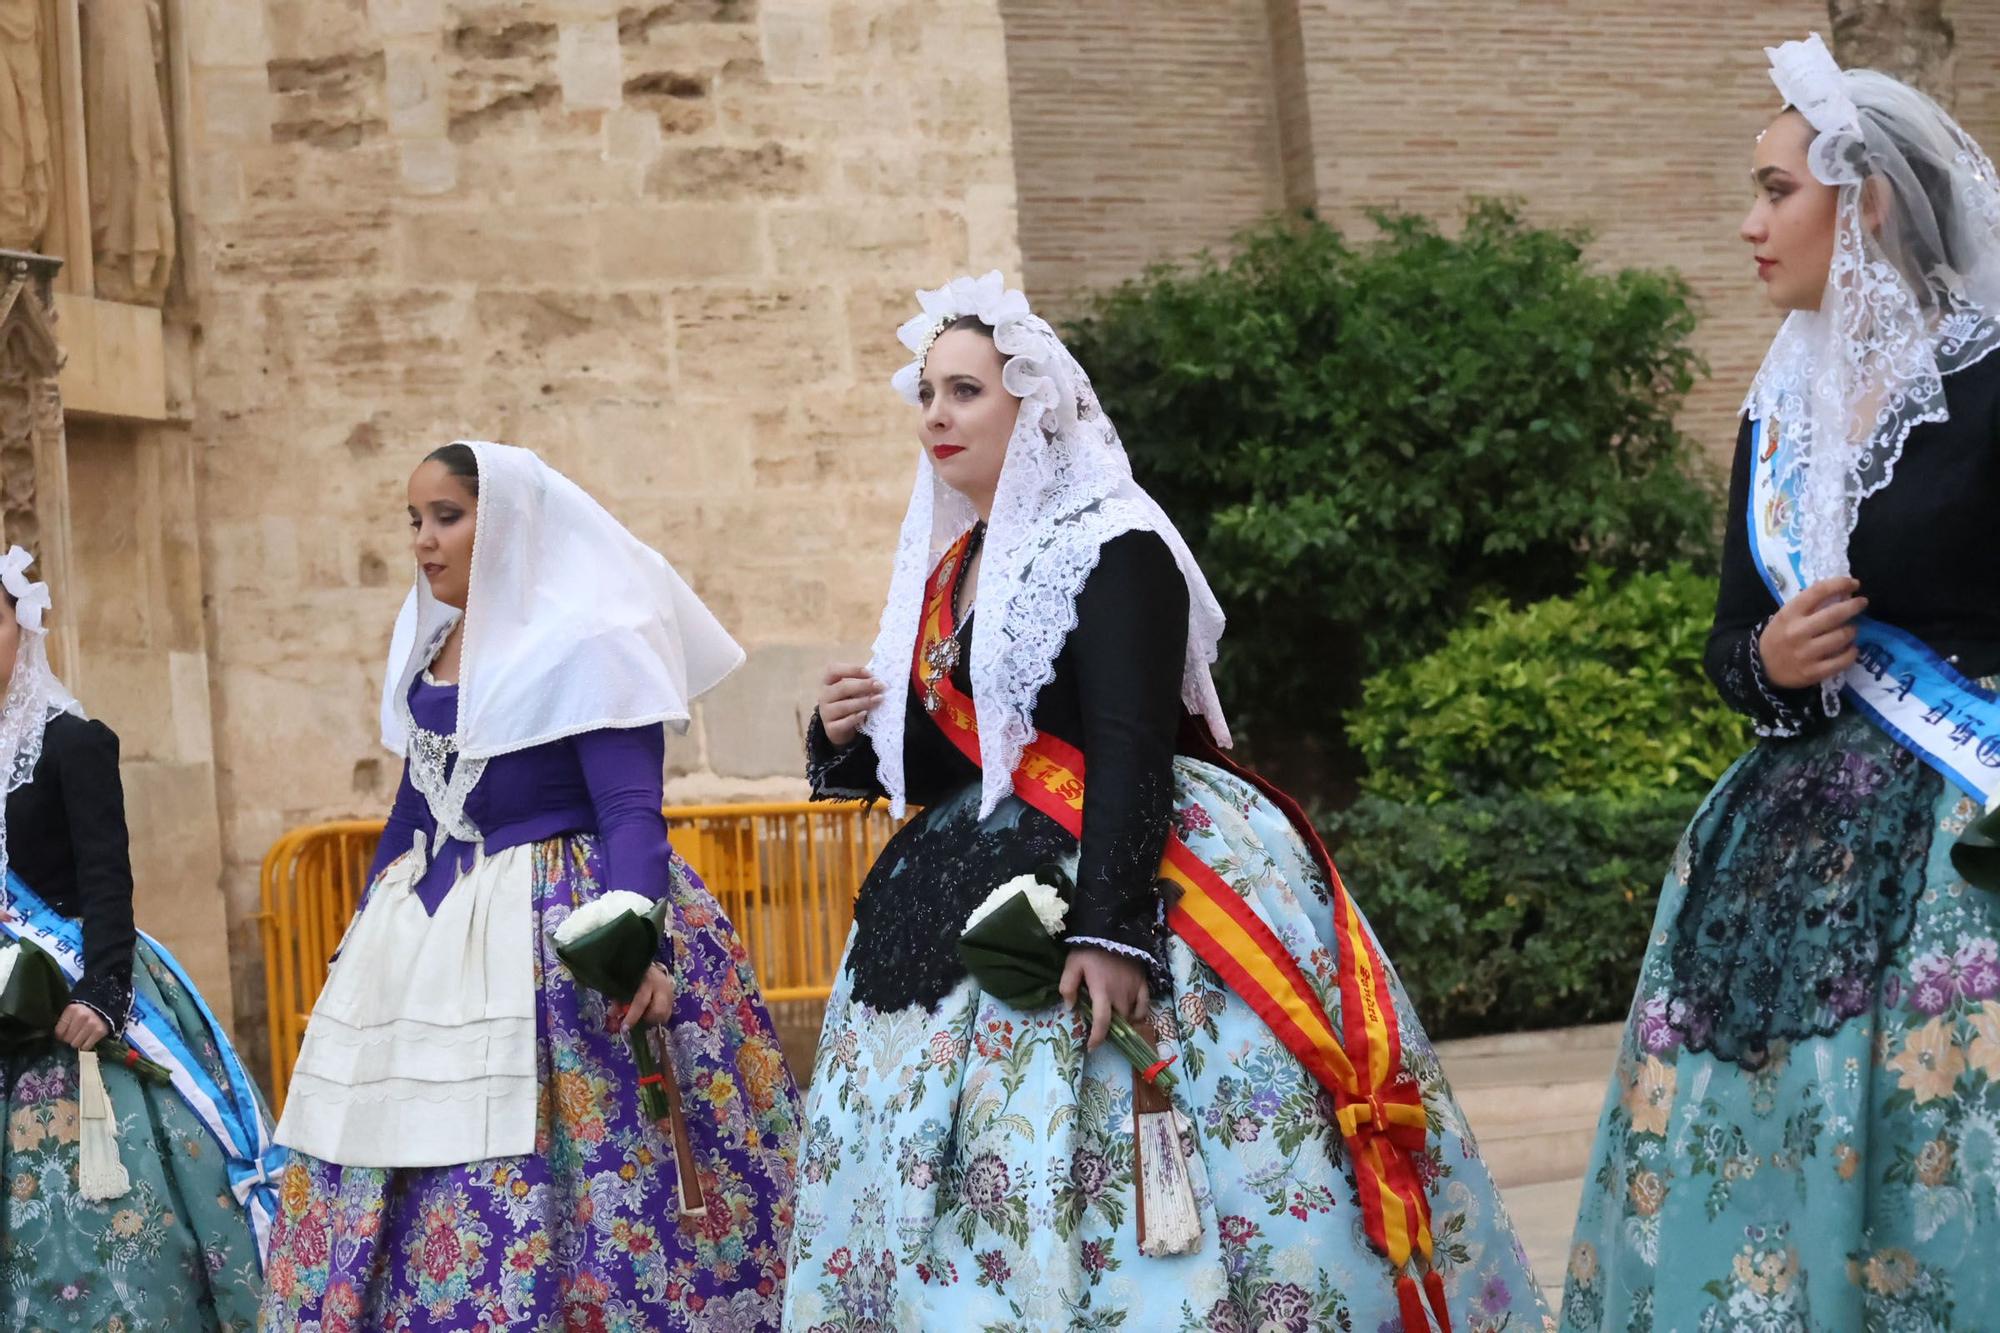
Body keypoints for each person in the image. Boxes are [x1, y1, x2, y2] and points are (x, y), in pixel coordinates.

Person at [785, 274, 1550, 1333]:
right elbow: (943, 758)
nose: (934, 416)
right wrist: (836, 738)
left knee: (1143, 1162)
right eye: (925, 393)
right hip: (964, 896)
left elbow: (1128, 739)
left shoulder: (1117, 545)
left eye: (962, 390)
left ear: (1032, 404)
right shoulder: (951, 571)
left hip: (1131, 879)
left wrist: (1110, 927)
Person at [1561, 35, 2000, 1330]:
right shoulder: (1775, 411)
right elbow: (1727, 642)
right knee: (1757, 1154)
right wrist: (1770, 661)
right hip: (1783, 852)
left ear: (1860, 200)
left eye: (1774, 191)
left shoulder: (1992, 388)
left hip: (1961, 842)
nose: (1750, 225)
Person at [263, 441, 802, 1331]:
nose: (425, 542)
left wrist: (638, 942)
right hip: (431, 926)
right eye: (415, 521)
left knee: (585, 1181)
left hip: (556, 928)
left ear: (505, 523)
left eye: (448, 517)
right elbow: (412, 812)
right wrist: (364, 929)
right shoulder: (432, 645)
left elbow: (631, 809)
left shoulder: (587, 641)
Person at [0, 546, 277, 1329]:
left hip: (74, 1005)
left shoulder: (72, 742)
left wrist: (103, 992)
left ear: (22, 626)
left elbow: (106, 880)